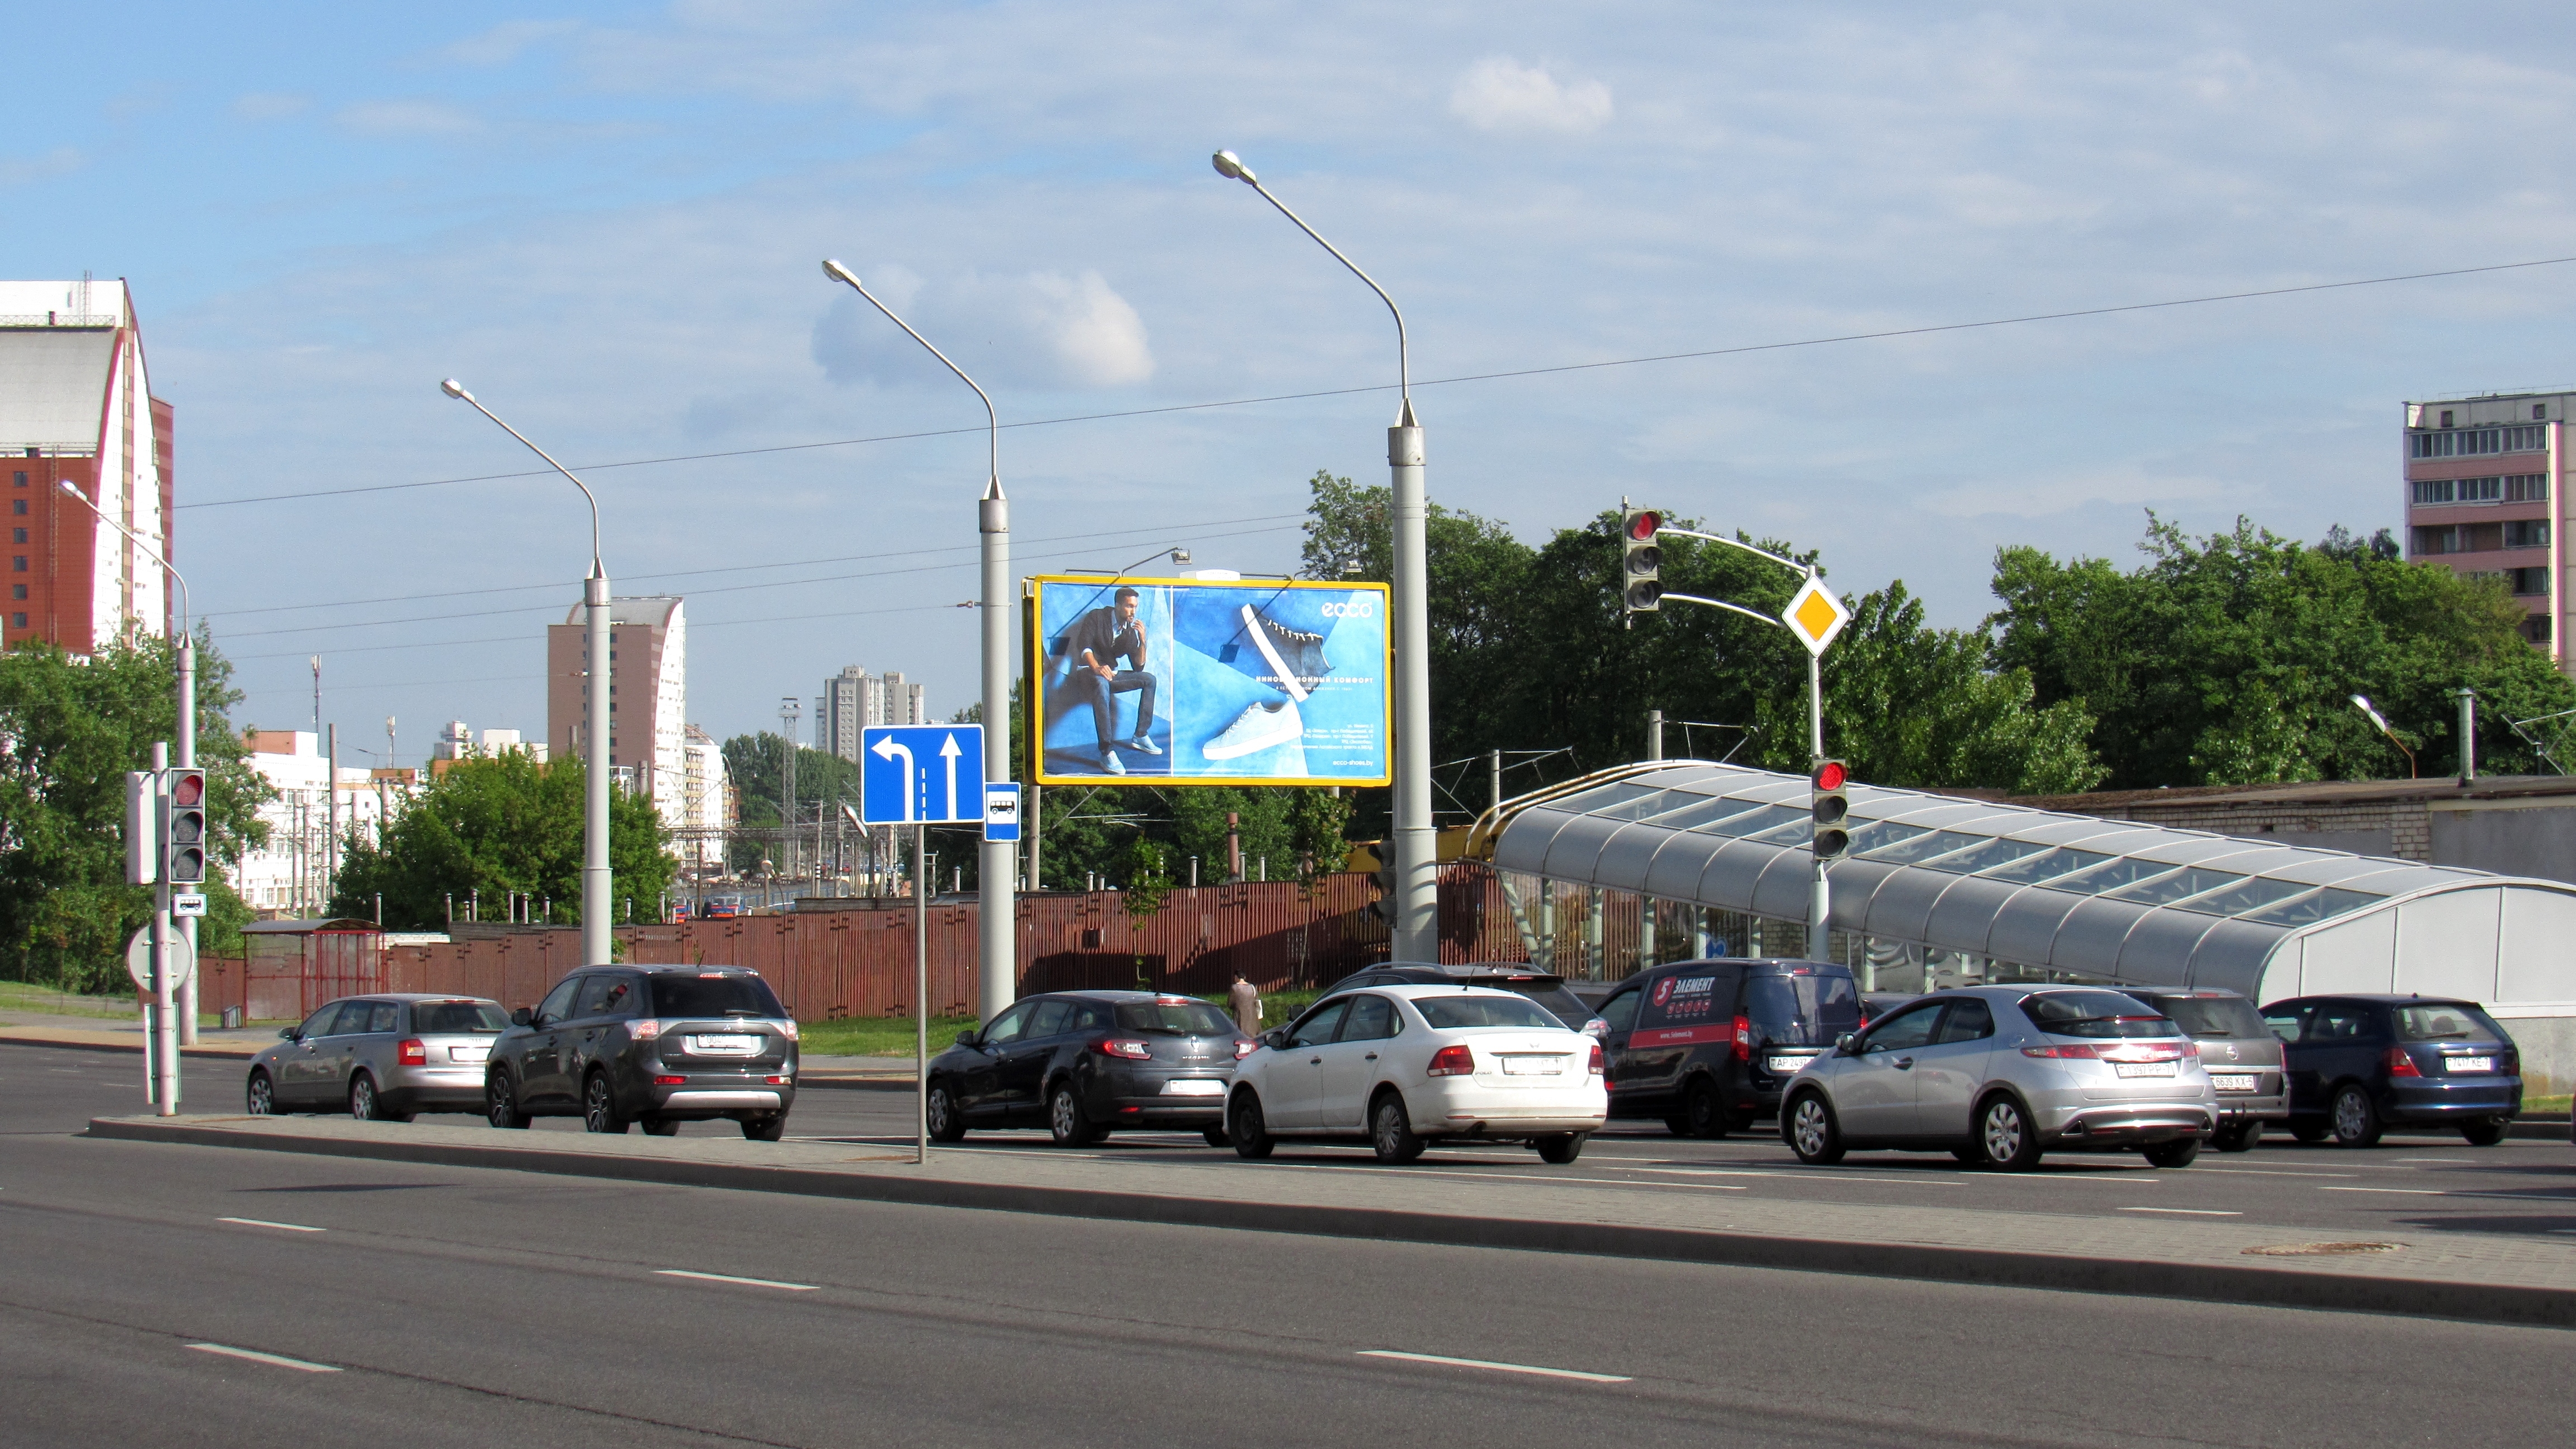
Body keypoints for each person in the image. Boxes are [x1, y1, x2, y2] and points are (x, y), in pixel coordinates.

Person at [1064, 586, 1161, 774]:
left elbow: (1138, 666)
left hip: (1110, 676)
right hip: (1087, 673)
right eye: (1129, 607)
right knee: (1101, 682)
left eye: (1135, 607)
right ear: (1117, 605)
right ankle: (1107, 751)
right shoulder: (1097, 617)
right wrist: (1097, 667)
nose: (1133, 611)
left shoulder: (1129, 632)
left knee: (1149, 679)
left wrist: (1143, 641)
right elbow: (1084, 646)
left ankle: (1140, 735)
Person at [1228, 972, 1262, 1038]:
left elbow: (1230, 1004)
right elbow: (1257, 1001)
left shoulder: (1234, 988)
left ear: (1236, 977)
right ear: (1245, 977)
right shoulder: (1252, 987)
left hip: (1239, 1017)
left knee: (1241, 1037)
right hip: (1253, 1017)